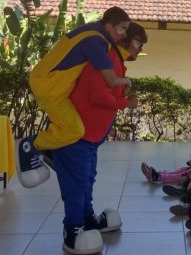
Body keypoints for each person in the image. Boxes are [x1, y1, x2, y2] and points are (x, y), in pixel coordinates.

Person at [54, 22, 146, 254]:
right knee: (77, 183)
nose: (139, 47)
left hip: (89, 137)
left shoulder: (116, 60)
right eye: (137, 41)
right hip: (76, 136)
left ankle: (87, 219)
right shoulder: (108, 58)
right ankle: (72, 230)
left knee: (86, 179)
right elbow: (98, 95)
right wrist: (127, 103)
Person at [17, 7, 133, 188]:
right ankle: (31, 146)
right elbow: (110, 80)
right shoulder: (96, 40)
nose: (124, 35)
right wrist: (126, 80)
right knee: (74, 129)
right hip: (50, 85)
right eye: (122, 29)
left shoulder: (93, 33)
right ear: (109, 26)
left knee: (66, 123)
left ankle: (50, 150)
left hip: (57, 86)